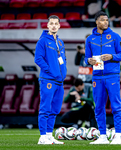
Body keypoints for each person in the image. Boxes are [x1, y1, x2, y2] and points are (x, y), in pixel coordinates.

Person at [85, 11, 121, 144]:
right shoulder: (90, 39)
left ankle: (118, 136)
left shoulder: (115, 36)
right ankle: (102, 136)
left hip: (112, 76)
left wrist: (111, 56)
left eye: (107, 20)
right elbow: (86, 58)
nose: (105, 22)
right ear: (96, 22)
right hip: (97, 77)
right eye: (102, 20)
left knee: (116, 105)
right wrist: (89, 61)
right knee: (99, 107)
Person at [34, 15, 67, 144]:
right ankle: (42, 137)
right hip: (47, 80)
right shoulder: (42, 41)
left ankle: (49, 135)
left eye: (56, 23)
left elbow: (63, 60)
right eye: (51, 23)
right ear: (47, 25)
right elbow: (38, 59)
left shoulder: (60, 42)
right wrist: (51, 70)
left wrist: (63, 72)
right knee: (45, 108)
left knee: (55, 110)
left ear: (59, 26)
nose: (53, 26)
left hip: (59, 81)